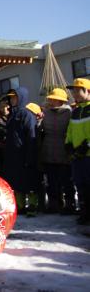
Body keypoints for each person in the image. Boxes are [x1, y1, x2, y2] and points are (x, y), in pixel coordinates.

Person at [3, 88, 38, 216]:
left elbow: (31, 135)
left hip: (25, 153)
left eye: (14, 97)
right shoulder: (12, 115)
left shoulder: (27, 114)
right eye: (11, 98)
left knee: (29, 181)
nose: (12, 100)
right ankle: (20, 206)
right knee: (17, 182)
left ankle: (33, 205)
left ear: (21, 97)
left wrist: (30, 155)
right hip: (13, 155)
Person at [39, 88, 74, 214]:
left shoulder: (70, 113)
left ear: (60, 100)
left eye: (53, 98)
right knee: (51, 181)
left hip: (64, 151)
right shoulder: (46, 113)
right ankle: (54, 204)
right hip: (48, 151)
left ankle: (70, 204)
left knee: (66, 181)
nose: (50, 100)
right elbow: (40, 129)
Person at [65, 78, 90, 225]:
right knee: (80, 185)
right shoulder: (76, 111)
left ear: (87, 91)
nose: (74, 93)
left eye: (77, 90)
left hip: (87, 155)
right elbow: (70, 131)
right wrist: (67, 144)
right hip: (76, 156)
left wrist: (86, 146)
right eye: (73, 90)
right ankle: (84, 212)